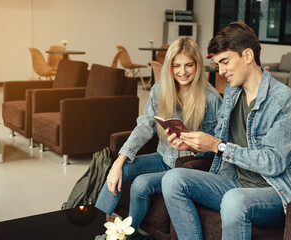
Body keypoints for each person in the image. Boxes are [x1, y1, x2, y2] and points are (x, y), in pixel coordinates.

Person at [162, 22, 291, 240]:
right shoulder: (233, 93)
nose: (220, 71)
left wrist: (217, 145)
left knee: (234, 200)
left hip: (276, 192)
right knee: (172, 179)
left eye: (225, 62)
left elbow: (273, 162)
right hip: (235, 183)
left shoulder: (285, 102)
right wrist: (193, 146)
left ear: (248, 56)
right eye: (218, 64)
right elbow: (220, 144)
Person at [95, 37, 222, 240]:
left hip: (187, 167)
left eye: (189, 65)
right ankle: (97, 227)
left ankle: (125, 235)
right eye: (176, 66)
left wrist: (192, 146)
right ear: (169, 67)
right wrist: (119, 161)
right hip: (164, 156)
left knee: (141, 184)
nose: (183, 71)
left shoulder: (211, 98)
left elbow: (218, 146)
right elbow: (144, 127)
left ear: (198, 65)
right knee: (120, 169)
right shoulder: (160, 89)